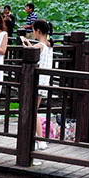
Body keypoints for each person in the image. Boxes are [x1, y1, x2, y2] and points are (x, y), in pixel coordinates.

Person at [20, 19, 54, 150]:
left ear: (38, 31)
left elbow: (29, 53)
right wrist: (28, 44)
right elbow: (32, 49)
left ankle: (40, 140)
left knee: (33, 111)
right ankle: (36, 138)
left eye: (34, 31)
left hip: (37, 81)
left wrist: (25, 44)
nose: (33, 33)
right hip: (44, 82)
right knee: (34, 110)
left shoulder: (40, 46)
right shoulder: (49, 45)